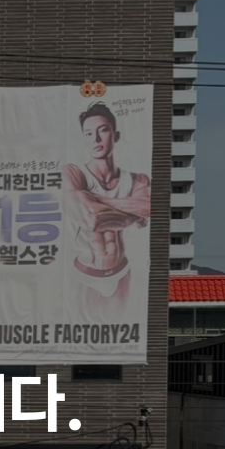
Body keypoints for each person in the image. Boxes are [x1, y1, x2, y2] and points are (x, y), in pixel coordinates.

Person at [64, 102, 150, 320]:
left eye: (102, 130)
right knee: (76, 334)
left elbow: (148, 207)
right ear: (83, 139)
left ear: (115, 135)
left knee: (122, 330)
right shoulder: (74, 173)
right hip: (84, 274)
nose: (96, 139)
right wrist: (133, 215)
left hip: (121, 271)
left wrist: (97, 198)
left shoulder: (137, 179)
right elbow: (92, 218)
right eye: (88, 134)